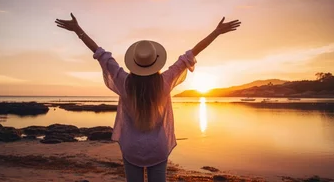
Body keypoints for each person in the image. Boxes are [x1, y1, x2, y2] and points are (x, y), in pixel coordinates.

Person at [55, 14, 241, 182]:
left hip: (131, 148)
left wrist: (78, 30)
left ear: (134, 63)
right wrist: (216, 33)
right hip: (158, 148)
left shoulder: (124, 81)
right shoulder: (164, 81)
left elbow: (101, 54)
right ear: (156, 61)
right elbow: (190, 54)